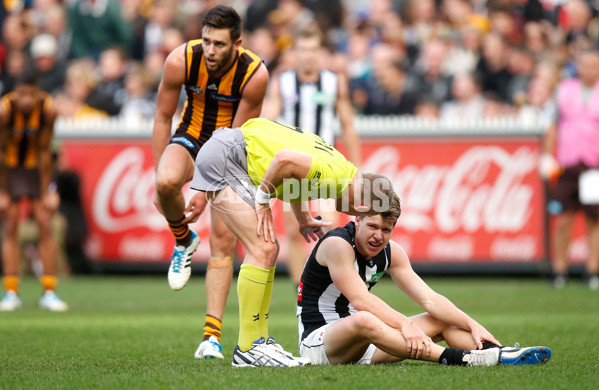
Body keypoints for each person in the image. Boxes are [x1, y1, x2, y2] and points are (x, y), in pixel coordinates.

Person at [183, 117, 397, 367]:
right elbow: (285, 160)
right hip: (228, 156)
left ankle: (257, 343)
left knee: (268, 248)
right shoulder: (337, 177)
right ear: (361, 208)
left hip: (230, 150)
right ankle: (248, 347)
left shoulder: (344, 169)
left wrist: (302, 216)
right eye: (360, 216)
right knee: (263, 247)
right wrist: (262, 201)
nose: (352, 218)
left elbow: (296, 174)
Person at [297, 197, 552, 366]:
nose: (378, 236)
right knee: (365, 318)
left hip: (368, 343)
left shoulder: (392, 252)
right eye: (372, 226)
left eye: (386, 230)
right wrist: (406, 324)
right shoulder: (336, 244)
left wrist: (473, 325)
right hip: (320, 343)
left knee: (443, 319)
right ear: (357, 220)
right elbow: (360, 300)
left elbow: (430, 299)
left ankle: (497, 353)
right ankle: (460, 359)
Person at [152, 5, 269, 359]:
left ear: (237, 43)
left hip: (230, 151)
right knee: (165, 182)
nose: (211, 51)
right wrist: (159, 175)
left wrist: (203, 190)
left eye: (219, 44)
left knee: (222, 240)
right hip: (190, 136)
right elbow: (161, 117)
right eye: (206, 41)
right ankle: (183, 240)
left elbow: (231, 142)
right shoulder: (180, 60)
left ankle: (211, 337)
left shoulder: (255, 74)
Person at [263, 25, 362, 285]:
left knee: (332, 226)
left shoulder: (333, 81)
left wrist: (357, 164)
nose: (308, 55)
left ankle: (337, 281)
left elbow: (348, 124)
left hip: (325, 163)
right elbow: (269, 117)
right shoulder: (282, 82)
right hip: (292, 167)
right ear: (295, 52)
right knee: (296, 232)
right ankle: (301, 287)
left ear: (320, 52)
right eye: (303, 50)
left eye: (313, 50)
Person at [0, 70, 67, 312]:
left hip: (37, 169)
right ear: (15, 93)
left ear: (38, 92)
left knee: (45, 224)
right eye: (22, 95)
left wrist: (49, 189)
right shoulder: (4, 110)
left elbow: (46, 151)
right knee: (10, 225)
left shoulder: (49, 109)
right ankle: (10, 291)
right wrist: (3, 192)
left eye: (31, 95)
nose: (27, 101)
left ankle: (49, 291)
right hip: (9, 168)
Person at [539, 49, 599, 290]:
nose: (589, 70)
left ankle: (592, 269)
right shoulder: (564, 90)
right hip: (568, 163)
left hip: (594, 164)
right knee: (564, 219)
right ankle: (559, 270)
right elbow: (553, 125)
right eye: (585, 65)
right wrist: (547, 155)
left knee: (594, 220)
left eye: (593, 66)